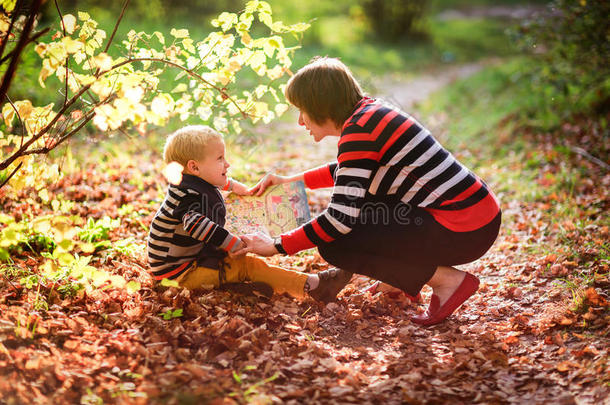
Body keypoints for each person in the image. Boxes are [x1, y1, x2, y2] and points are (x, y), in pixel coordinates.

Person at [234, 57, 502, 326]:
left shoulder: (360, 130)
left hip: (464, 229)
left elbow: (338, 220)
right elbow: (349, 170)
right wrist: (289, 181)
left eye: (302, 109)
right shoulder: (367, 115)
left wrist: (275, 246)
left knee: (336, 243)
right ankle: (399, 280)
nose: (300, 121)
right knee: (365, 204)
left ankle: (448, 282)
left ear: (319, 105)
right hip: (474, 217)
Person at [146, 125, 341, 300]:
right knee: (248, 265)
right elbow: (196, 225)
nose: (227, 164)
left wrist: (236, 188)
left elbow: (214, 184)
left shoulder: (189, 184)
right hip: (179, 275)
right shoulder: (188, 199)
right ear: (194, 167)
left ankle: (233, 286)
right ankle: (313, 286)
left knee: (235, 252)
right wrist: (233, 244)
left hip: (185, 261)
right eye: (220, 158)